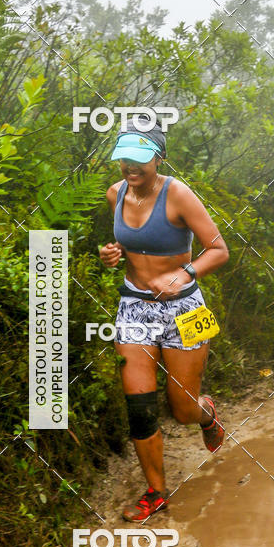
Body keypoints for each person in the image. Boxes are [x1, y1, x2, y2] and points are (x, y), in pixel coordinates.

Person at [99, 117, 229, 520]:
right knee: (139, 407)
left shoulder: (179, 195)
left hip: (185, 309)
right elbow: (131, 242)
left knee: (183, 409)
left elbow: (218, 249)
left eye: (139, 160)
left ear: (159, 157)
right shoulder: (115, 193)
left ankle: (207, 416)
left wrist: (184, 273)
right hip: (134, 307)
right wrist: (112, 255)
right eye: (125, 159)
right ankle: (156, 493)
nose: (131, 168)